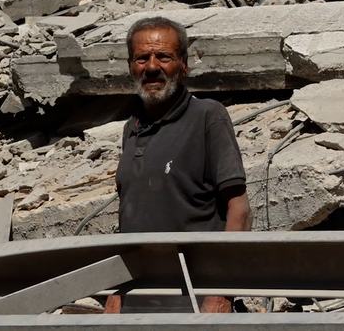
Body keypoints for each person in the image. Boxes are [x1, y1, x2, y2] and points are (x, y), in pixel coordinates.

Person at [104, 16, 251, 314]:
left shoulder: (207, 117)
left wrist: (222, 292)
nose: (153, 67)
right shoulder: (131, 129)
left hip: (196, 296)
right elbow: (132, 219)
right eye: (142, 58)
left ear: (184, 64)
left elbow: (241, 211)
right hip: (139, 297)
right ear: (131, 66)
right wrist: (117, 291)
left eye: (164, 57)